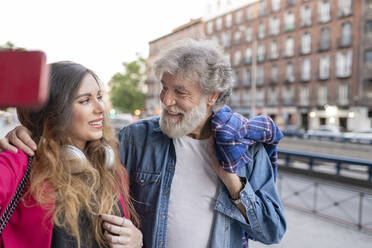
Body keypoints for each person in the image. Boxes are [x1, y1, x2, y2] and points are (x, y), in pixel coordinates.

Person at [1, 39, 286, 248]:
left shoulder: (247, 148)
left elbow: (272, 232)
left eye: (180, 92)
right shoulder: (136, 138)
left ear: (211, 96)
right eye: (164, 87)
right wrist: (31, 130)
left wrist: (233, 183)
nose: (165, 100)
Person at [0, 62, 143, 248]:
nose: (100, 109)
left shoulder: (111, 168)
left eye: (99, 97)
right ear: (53, 112)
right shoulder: (20, 160)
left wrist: (137, 240)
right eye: (85, 100)